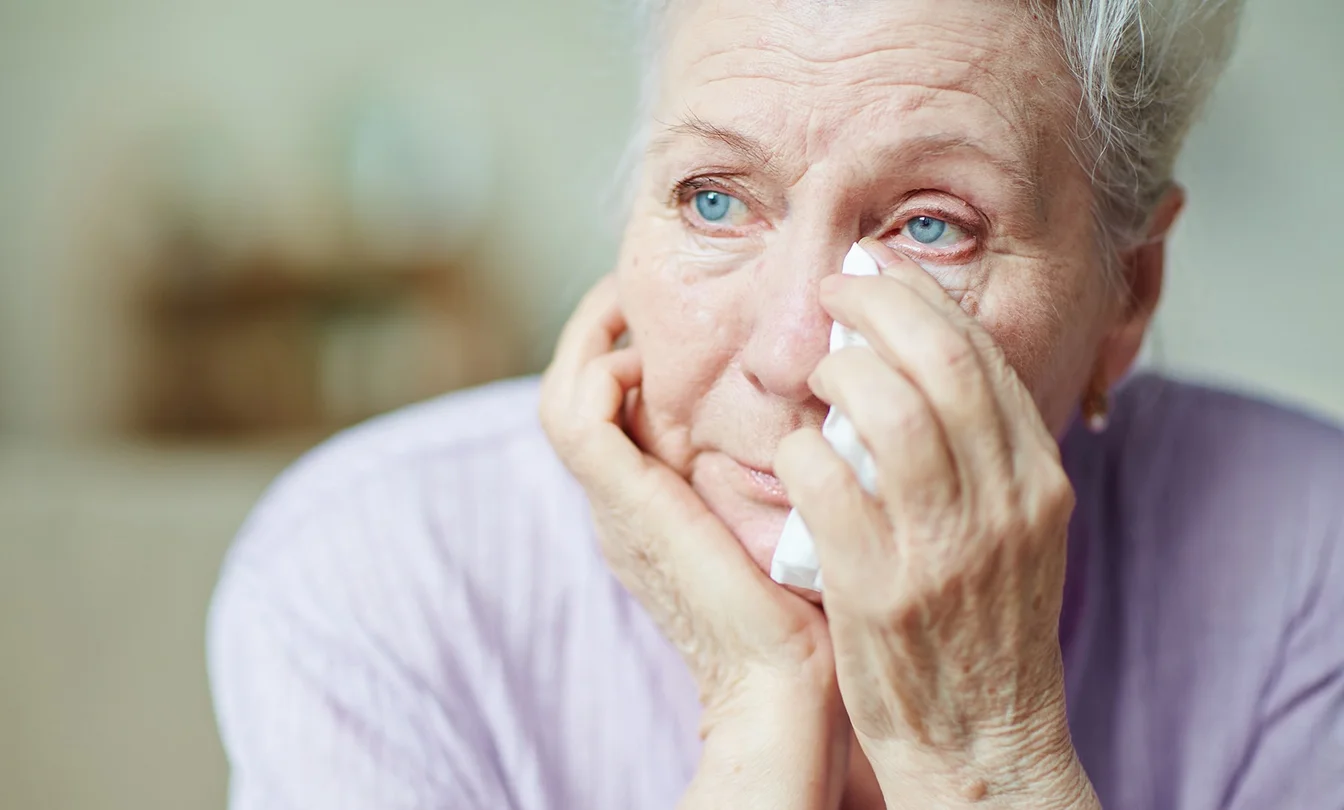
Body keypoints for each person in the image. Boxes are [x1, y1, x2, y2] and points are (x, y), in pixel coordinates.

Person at [207, 1, 1344, 807]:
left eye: (932, 224)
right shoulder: (372, 576)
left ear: (1127, 291)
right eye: (713, 199)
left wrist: (982, 753)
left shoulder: (1308, 563)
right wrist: (761, 716)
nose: (792, 352)